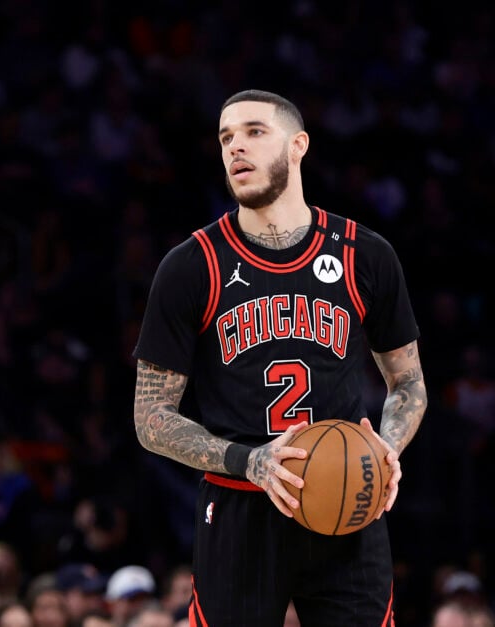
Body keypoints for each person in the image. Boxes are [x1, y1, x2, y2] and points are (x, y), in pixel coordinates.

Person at [132, 89, 427, 626]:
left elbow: (408, 384)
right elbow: (150, 419)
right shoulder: (190, 266)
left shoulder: (366, 254)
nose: (235, 148)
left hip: (349, 500)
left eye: (253, 132)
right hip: (241, 503)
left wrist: (385, 449)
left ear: (298, 146)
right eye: (225, 138)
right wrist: (253, 461)